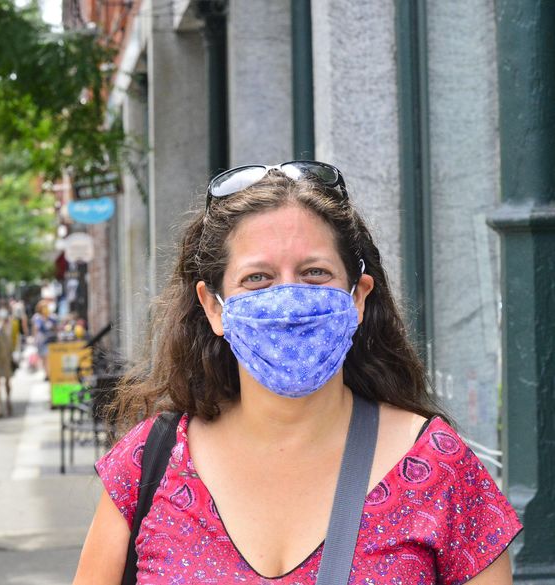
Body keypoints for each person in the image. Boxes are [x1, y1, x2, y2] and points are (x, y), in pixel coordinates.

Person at [74, 162, 522, 585]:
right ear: (214, 307)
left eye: (314, 272)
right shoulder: (147, 462)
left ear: (358, 298)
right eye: (257, 278)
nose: (288, 299)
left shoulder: (441, 468)